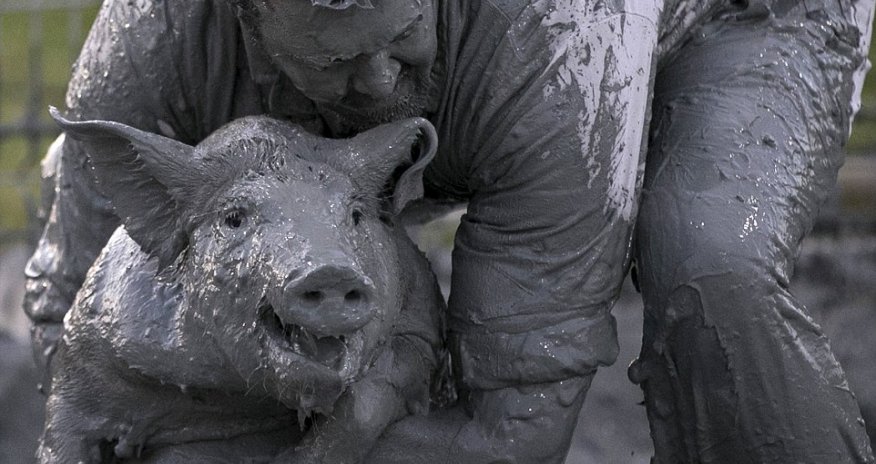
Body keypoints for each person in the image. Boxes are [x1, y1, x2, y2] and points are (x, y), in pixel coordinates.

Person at [24, 0, 876, 462]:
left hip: (743, 17)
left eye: (401, 40)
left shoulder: (552, 42)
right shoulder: (150, 39)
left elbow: (516, 425)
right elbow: (68, 330)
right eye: (338, 62)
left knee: (704, 254)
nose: (385, 79)